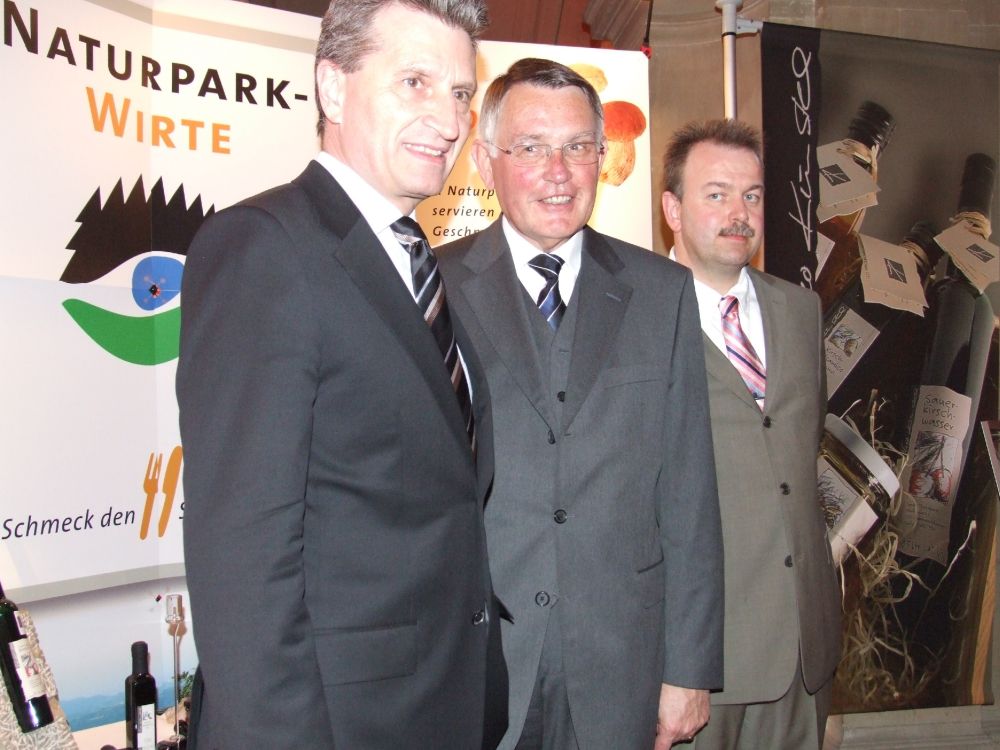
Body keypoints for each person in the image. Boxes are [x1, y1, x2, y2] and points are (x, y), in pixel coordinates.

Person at [176, 1, 508, 747]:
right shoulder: (264, 248)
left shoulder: (412, 261)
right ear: (332, 89)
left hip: (440, 708)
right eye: (415, 83)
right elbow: (244, 560)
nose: (450, 121)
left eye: (460, 94)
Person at [437, 58, 724, 750]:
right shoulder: (432, 291)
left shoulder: (663, 294)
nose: (558, 172)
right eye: (531, 148)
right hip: (478, 666)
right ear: (485, 161)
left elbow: (688, 491)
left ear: (602, 158)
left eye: (578, 148)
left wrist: (689, 669)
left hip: (620, 665)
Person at [660, 119, 841, 749]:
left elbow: (798, 456)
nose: (739, 213)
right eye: (715, 194)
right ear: (672, 209)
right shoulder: (636, 320)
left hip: (802, 651)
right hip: (699, 663)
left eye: (753, 196)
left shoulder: (800, 310)